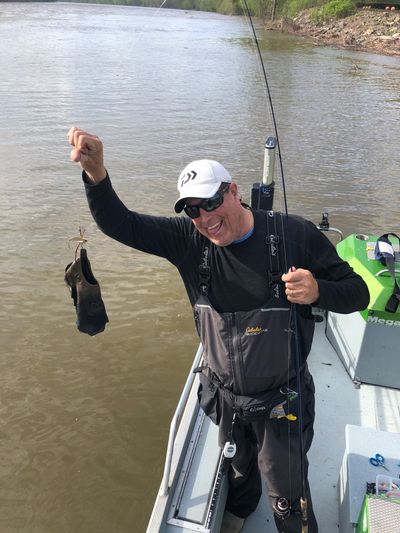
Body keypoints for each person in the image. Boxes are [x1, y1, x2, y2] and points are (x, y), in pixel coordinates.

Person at [67, 127, 370, 533]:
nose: (206, 218)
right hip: (225, 400)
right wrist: (96, 173)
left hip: (283, 402)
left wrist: (317, 291)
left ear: (233, 190)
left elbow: (359, 293)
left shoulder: (294, 233)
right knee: (238, 471)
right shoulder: (188, 242)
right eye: (193, 210)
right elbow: (121, 224)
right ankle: (241, 510)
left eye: (211, 201)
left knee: (286, 496)